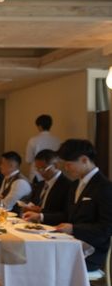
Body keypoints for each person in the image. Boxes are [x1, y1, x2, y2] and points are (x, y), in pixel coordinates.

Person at [40, 139, 112, 272]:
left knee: (45, 262)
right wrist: (41, 216)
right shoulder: (74, 185)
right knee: (38, 254)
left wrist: (74, 229)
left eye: (69, 164)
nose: (66, 169)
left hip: (91, 251)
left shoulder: (105, 187)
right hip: (69, 243)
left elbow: (106, 228)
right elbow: (67, 215)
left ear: (84, 160)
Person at [22, 149, 70, 218]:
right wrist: (28, 207)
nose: (40, 172)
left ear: (56, 165)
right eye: (37, 169)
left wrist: (41, 213)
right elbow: (34, 203)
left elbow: (65, 214)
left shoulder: (67, 185)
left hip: (52, 223)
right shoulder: (40, 184)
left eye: (43, 169)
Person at [25, 114, 61, 182]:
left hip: (37, 174)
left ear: (39, 126)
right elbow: (59, 159)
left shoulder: (33, 140)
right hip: (53, 173)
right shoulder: (58, 140)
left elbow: (29, 160)